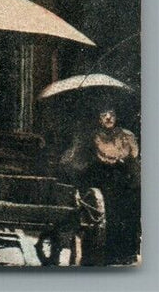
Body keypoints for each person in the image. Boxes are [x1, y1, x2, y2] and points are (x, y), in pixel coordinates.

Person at [63, 108, 140, 265]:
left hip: (122, 180)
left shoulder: (126, 135)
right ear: (99, 119)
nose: (109, 117)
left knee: (128, 212)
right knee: (105, 215)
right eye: (104, 115)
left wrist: (124, 160)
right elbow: (83, 161)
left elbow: (133, 156)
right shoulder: (94, 136)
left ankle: (126, 254)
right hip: (102, 181)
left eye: (112, 114)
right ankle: (106, 255)